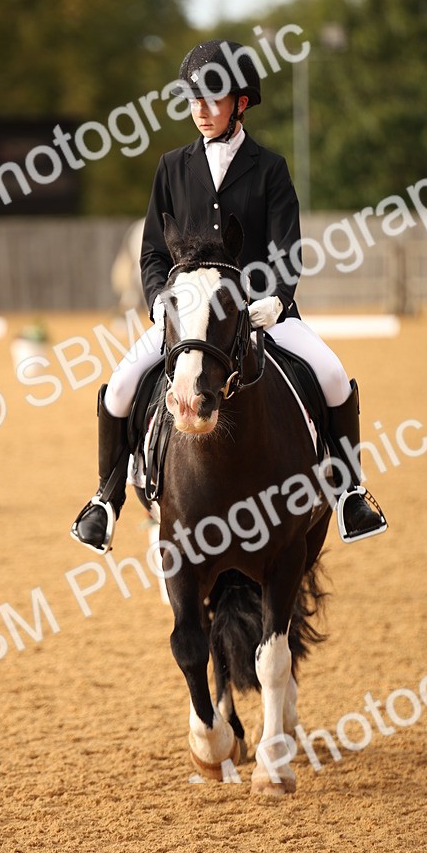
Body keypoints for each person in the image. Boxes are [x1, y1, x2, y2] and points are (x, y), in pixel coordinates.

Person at [70, 38, 387, 554]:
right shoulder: (172, 166)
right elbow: (153, 252)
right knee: (119, 387)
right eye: (193, 100)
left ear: (240, 103)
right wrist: (158, 302)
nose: (200, 111)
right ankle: (106, 500)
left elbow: (288, 250)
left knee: (331, 376)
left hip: (263, 313)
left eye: (211, 100)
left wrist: (277, 299)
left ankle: (350, 491)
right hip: (188, 321)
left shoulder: (270, 168)